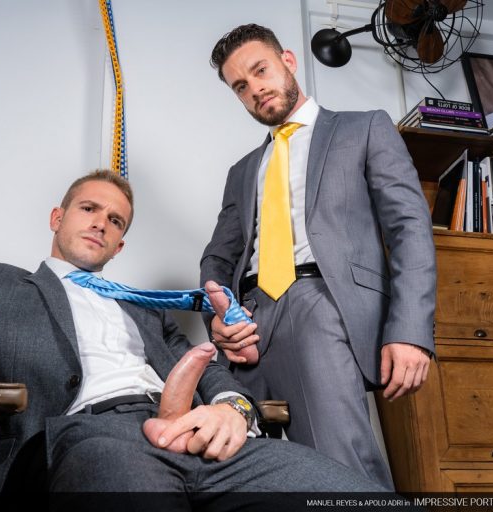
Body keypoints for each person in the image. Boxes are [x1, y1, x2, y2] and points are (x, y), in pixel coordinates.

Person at [0, 170, 387, 509]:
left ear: (120, 245)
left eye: (115, 221)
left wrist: (232, 410)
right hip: (86, 435)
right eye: (89, 209)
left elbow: (208, 370)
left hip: (191, 435)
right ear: (57, 218)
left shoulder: (145, 309)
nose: (101, 222)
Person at [200, 24, 436, 490]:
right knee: (229, 472)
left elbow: (409, 228)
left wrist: (411, 331)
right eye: (240, 87)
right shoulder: (241, 171)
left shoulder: (363, 128)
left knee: (338, 467)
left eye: (260, 71)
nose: (254, 89)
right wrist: (220, 316)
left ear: (288, 61)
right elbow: (217, 258)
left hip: (320, 304)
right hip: (248, 321)